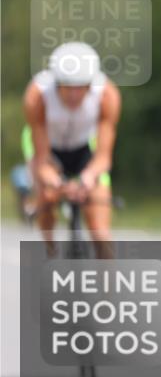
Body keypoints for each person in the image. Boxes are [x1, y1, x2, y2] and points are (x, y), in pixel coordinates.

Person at [23, 41, 120, 258]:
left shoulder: (107, 95)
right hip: (48, 149)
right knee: (47, 199)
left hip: (84, 147)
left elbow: (103, 157)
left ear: (90, 84)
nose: (74, 94)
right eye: (68, 87)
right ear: (57, 84)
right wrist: (57, 183)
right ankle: (50, 251)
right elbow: (42, 161)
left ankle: (108, 277)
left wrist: (88, 177)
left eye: (81, 87)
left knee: (100, 230)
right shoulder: (37, 96)